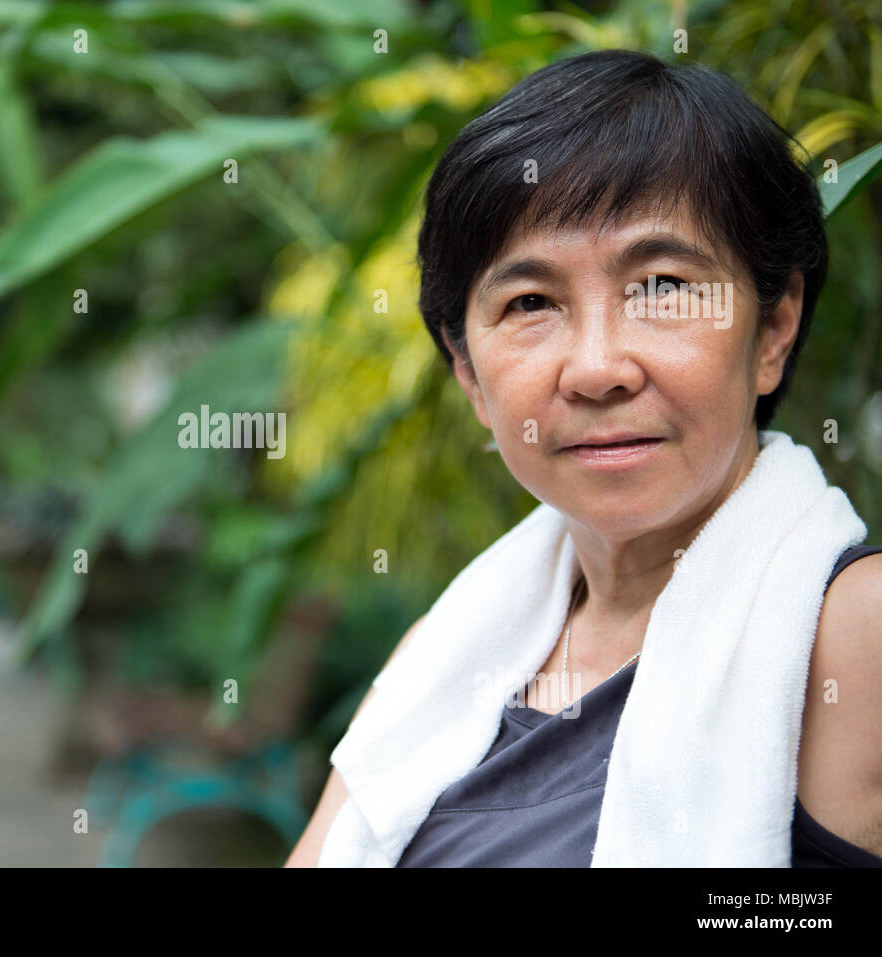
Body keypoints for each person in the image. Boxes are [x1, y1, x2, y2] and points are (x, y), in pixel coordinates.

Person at [286, 49, 882, 867]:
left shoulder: (853, 630)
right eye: (531, 303)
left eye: (665, 285)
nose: (598, 367)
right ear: (468, 372)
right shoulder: (442, 650)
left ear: (773, 329)